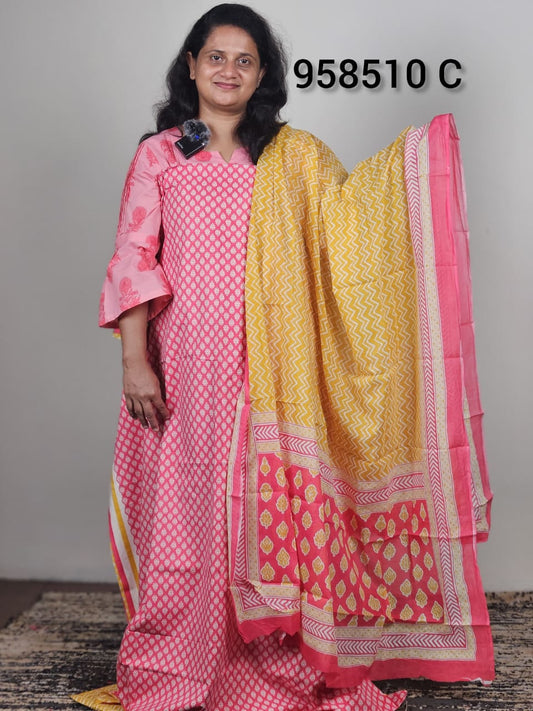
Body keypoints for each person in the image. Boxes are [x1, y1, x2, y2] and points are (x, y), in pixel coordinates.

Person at [74, 4, 494, 711]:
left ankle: (271, 660)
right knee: (188, 511)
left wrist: (415, 163)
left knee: (261, 516)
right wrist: (134, 361)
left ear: (262, 73)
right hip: (185, 364)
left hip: (271, 367)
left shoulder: (288, 155)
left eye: (244, 60)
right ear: (191, 66)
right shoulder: (162, 154)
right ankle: (181, 658)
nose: (228, 71)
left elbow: (347, 221)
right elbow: (133, 258)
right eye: (216, 57)